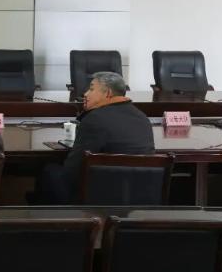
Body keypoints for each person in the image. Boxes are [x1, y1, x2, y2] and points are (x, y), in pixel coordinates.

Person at [35, 71, 154, 204]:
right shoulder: (143, 118)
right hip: (138, 195)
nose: (85, 94)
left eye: (91, 89)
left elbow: (72, 169)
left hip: (100, 197)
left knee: (49, 170)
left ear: (108, 93)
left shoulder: (94, 119)